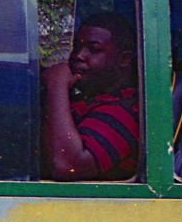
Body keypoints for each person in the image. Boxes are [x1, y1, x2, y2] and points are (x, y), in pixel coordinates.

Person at [41, 12, 139, 181]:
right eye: (76, 47)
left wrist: (57, 85)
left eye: (94, 50)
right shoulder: (90, 98)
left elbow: (68, 166)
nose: (79, 55)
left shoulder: (124, 111)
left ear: (124, 59)